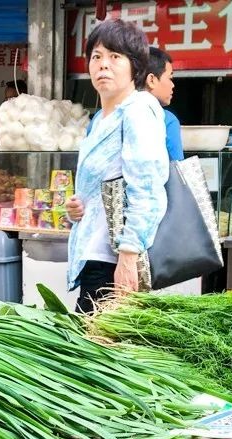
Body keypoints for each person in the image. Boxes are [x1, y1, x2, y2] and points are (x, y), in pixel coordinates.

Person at [65, 19, 169, 312]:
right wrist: (79, 206)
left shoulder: (137, 111)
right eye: (96, 57)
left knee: (94, 349)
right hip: (95, 254)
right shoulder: (100, 120)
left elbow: (148, 189)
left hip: (114, 258)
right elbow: (105, 184)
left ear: (135, 66)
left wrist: (128, 255)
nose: (103, 65)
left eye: (115, 57)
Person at [145, 47, 183, 161]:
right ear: (151, 80)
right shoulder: (166, 119)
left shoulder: (102, 117)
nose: (173, 85)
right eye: (170, 78)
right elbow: (176, 170)